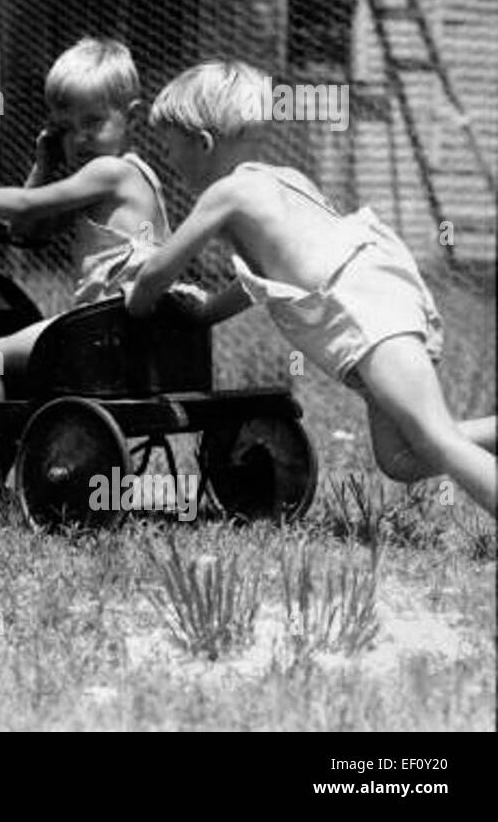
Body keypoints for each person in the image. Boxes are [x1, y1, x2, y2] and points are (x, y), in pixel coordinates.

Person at [126, 59, 496, 514]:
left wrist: (136, 301)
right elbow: (268, 282)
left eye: (169, 149)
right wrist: (205, 313)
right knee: (401, 458)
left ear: (202, 143)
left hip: (362, 308)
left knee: (434, 439)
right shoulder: (287, 178)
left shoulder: (224, 196)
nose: (168, 161)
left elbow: (158, 272)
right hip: (380, 291)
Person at [0, 38, 171, 495]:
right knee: (26, 352)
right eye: (66, 127)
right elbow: (34, 230)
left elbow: (25, 205)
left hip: (104, 332)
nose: (79, 137)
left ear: (132, 117)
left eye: (93, 122)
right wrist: (45, 161)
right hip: (122, 331)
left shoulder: (109, 174)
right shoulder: (130, 176)